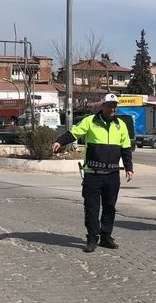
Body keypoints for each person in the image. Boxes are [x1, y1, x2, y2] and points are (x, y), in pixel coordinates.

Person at [51, 93, 134, 253]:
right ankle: (92, 237)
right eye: (109, 105)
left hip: (112, 174)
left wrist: (129, 167)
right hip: (93, 174)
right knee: (91, 208)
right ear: (103, 106)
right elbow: (73, 133)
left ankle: (106, 236)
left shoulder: (121, 125)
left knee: (110, 207)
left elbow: (125, 148)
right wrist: (59, 141)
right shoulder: (90, 121)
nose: (112, 108)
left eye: (115, 105)